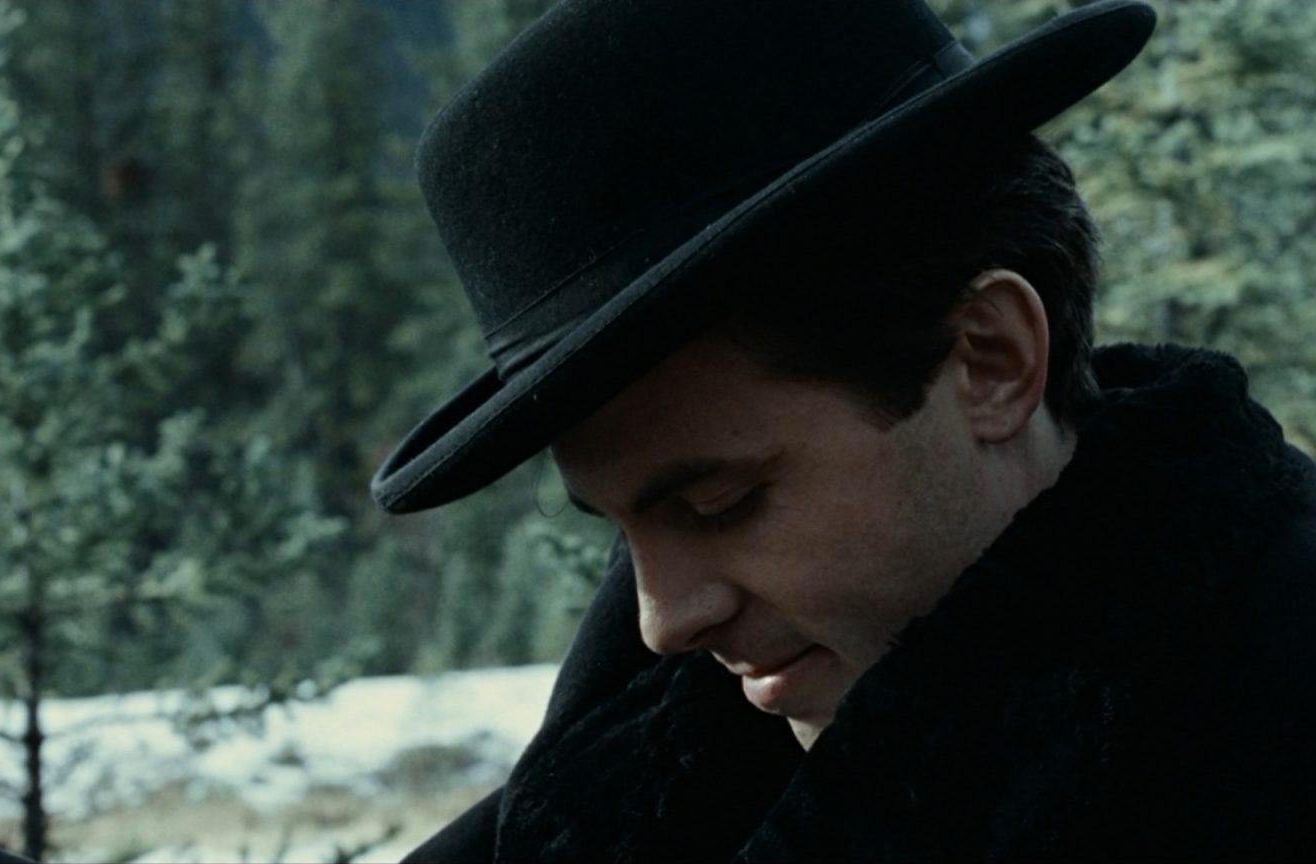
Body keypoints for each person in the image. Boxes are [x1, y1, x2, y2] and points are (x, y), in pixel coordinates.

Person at [371, 0, 1316, 860]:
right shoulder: (619, 785)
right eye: (622, 534)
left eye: (720, 502)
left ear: (990, 361)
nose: (661, 623)